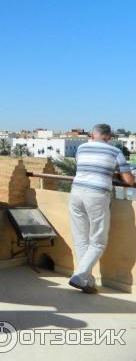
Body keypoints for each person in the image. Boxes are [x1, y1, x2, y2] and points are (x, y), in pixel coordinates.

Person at [68, 124, 134, 293]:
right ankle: (79, 276)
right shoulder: (115, 152)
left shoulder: (81, 148)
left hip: (76, 193)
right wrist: (117, 172)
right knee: (98, 241)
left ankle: (87, 281)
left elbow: (85, 168)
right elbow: (129, 181)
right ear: (109, 137)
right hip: (96, 195)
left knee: (81, 239)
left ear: (92, 135)